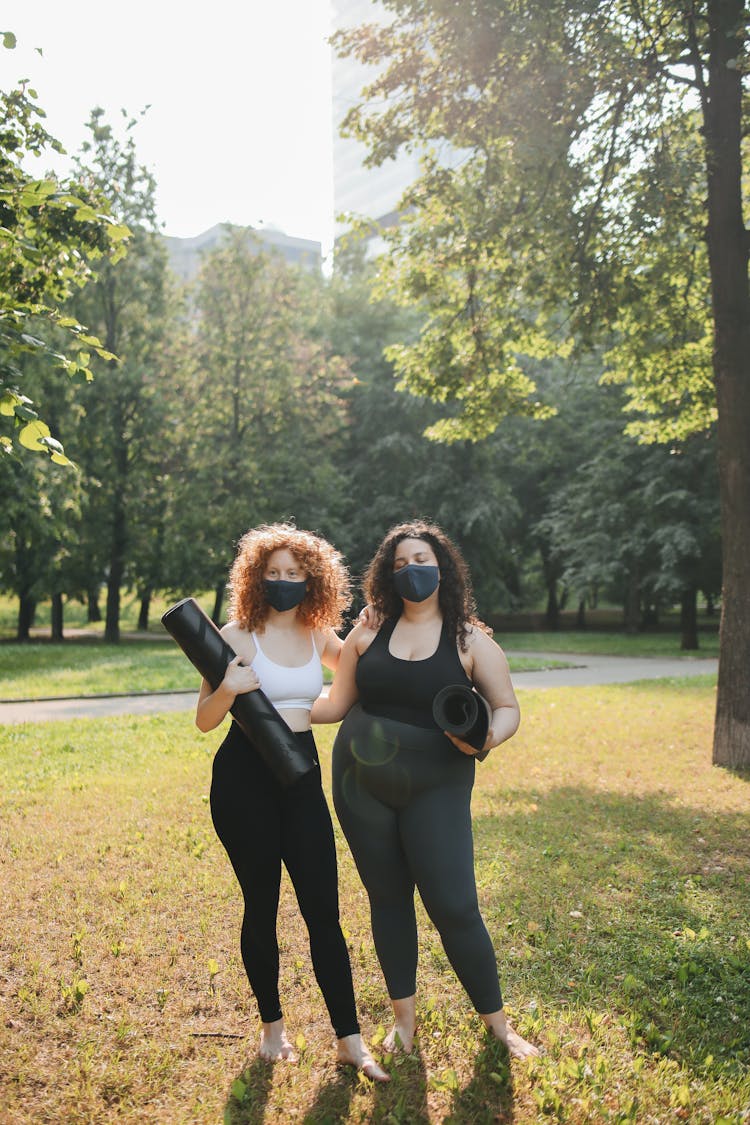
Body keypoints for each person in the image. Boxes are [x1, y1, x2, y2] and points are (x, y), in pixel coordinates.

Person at [311, 520, 539, 1060]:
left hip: (437, 786)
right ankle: (403, 1021)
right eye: (399, 565)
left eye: (421, 560)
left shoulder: (469, 639)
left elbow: (507, 708)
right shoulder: (367, 633)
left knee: (456, 905)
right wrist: (272, 705)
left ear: (443, 568)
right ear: (387, 577)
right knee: (388, 899)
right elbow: (336, 705)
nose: (411, 571)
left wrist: (487, 737)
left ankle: (499, 1024)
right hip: (359, 784)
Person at [195, 523, 388, 1080]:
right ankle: (272, 1032)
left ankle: (350, 1040)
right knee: (261, 906)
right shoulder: (234, 636)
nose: (283, 582)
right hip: (242, 780)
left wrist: (363, 640)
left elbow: (338, 694)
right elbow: (205, 720)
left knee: (323, 912)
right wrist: (228, 688)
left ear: (312, 579)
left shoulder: (318, 634)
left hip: (300, 776)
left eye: (293, 574)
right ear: (257, 579)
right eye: (273, 573)